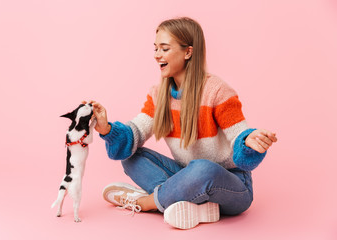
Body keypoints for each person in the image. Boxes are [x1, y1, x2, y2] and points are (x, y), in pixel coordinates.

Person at [86, 17, 277, 229]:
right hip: (185, 176)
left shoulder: (217, 90)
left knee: (204, 169)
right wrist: (106, 129)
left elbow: (239, 135)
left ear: (188, 52)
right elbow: (135, 132)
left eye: (165, 48)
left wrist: (249, 141)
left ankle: (148, 202)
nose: (157, 55)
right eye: (156, 48)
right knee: (131, 156)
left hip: (232, 186)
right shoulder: (158, 95)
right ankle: (193, 205)